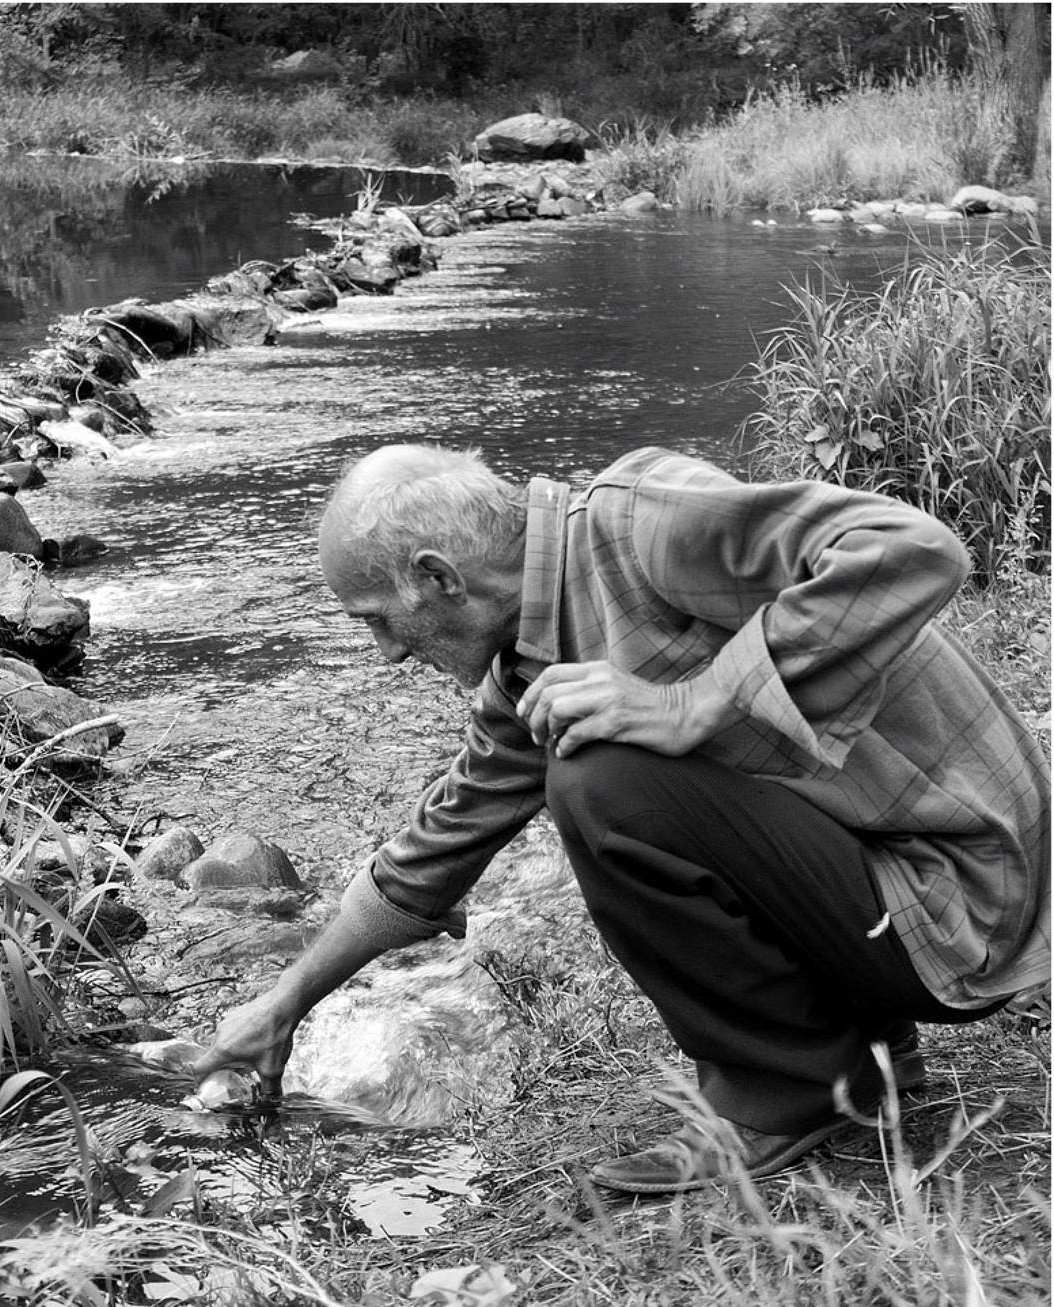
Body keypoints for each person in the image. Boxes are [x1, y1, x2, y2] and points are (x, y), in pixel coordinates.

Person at [191, 444, 1050, 1194]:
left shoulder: (641, 522)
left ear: (437, 577)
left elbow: (913, 548)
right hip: (889, 897)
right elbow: (430, 854)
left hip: (966, 901)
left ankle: (785, 1092)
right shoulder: (530, 670)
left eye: (376, 621)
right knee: (602, 766)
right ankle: (863, 1058)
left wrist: (694, 704)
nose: (383, 653)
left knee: (598, 781)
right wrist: (283, 1004)